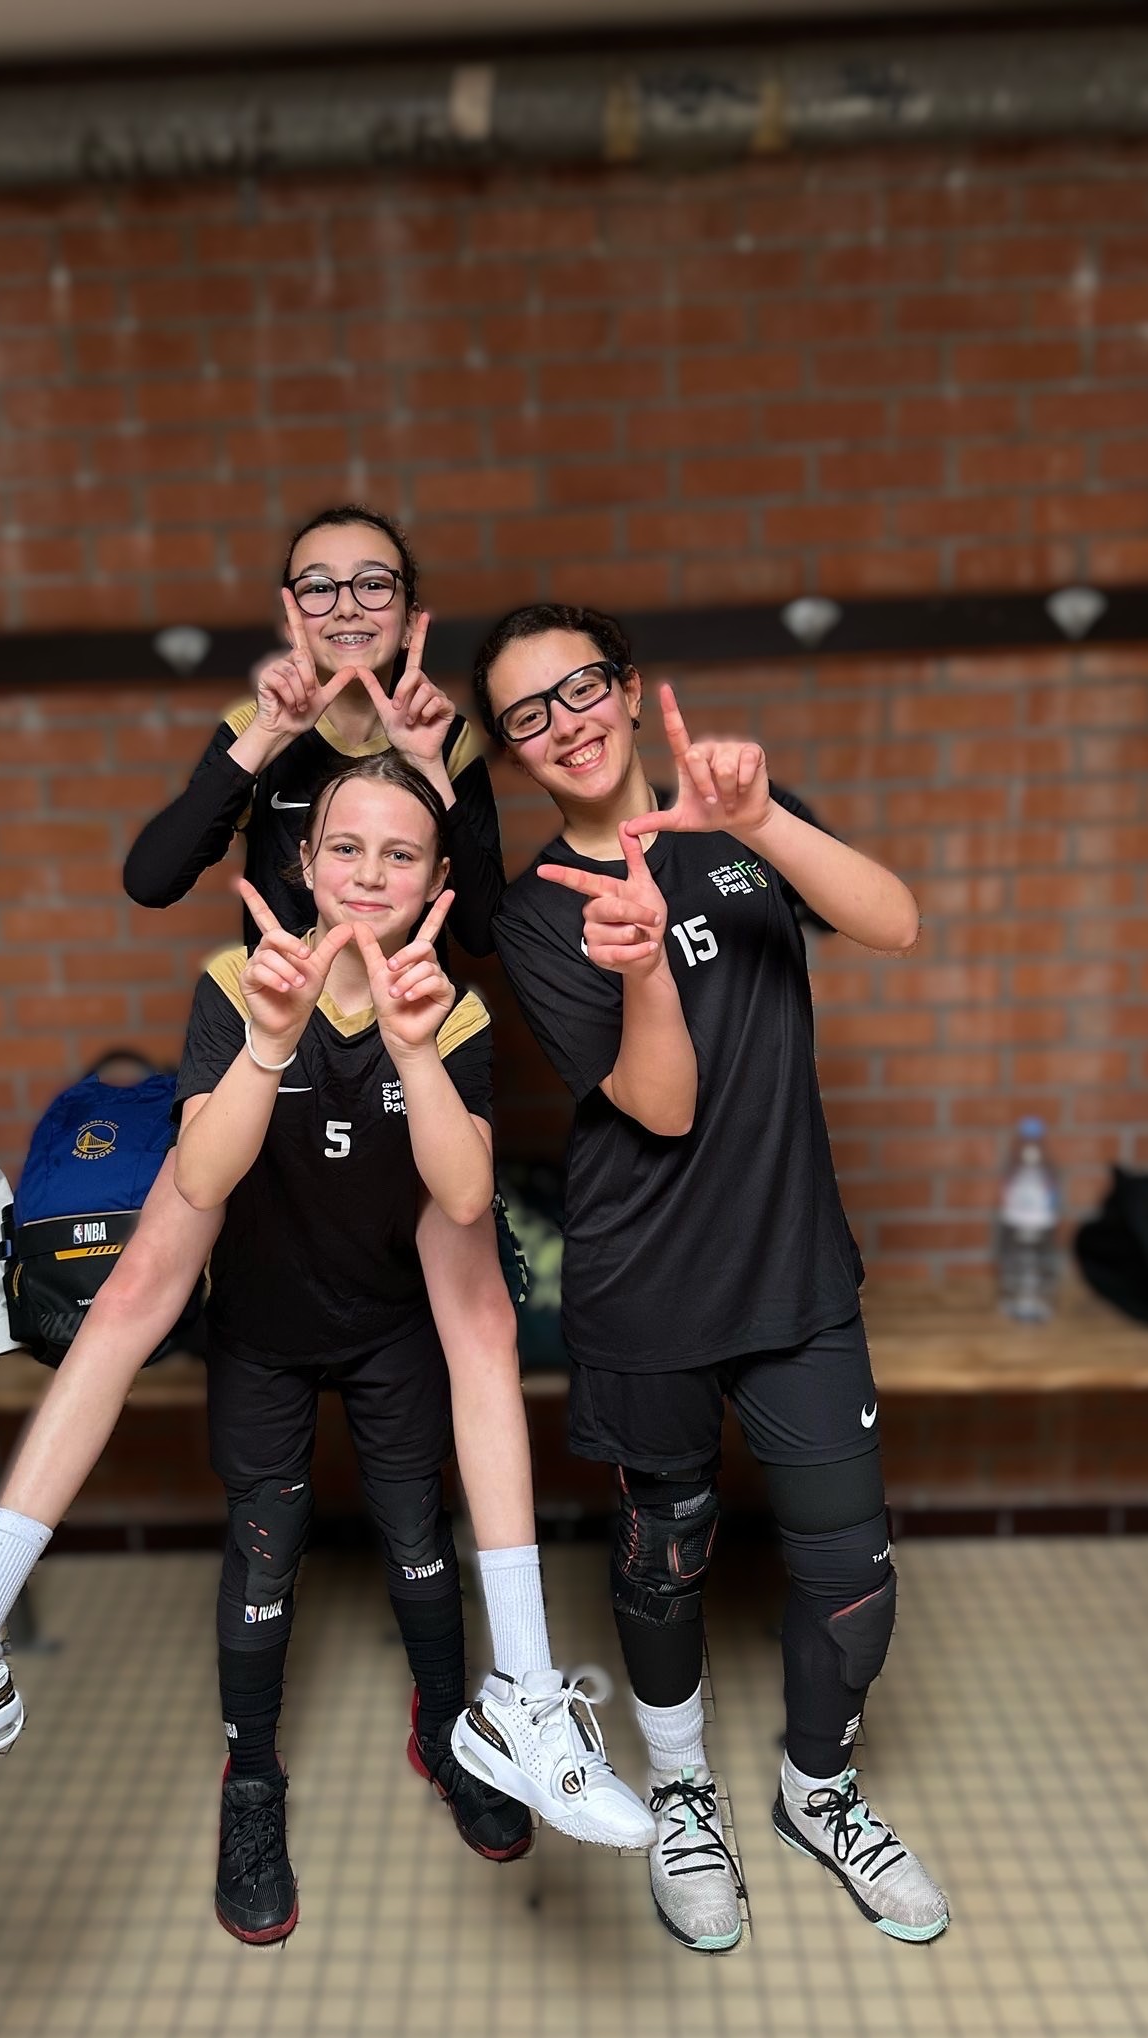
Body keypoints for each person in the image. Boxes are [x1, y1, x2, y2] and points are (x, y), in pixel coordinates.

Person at [0, 514, 651, 1860]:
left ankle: (513, 1701)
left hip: (401, 1066)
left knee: (476, 1325)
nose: (350, 603)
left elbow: (481, 933)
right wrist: (257, 761)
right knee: (143, 1284)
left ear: (410, 608)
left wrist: (443, 784)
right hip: (270, 1038)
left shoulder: (445, 782)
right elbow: (154, 878)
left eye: (375, 582)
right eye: (323, 583)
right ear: (290, 606)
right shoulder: (265, 750)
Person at [452, 602, 950, 1952]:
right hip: (648, 1288)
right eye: (528, 714)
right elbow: (660, 1106)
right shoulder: (537, 912)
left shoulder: (738, 820)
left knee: (852, 1570)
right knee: (662, 1563)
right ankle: (682, 1792)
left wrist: (761, 821)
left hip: (795, 1272)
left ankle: (816, 1789)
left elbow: (897, 921)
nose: (565, 723)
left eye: (581, 687)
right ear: (511, 750)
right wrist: (642, 959)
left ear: (629, 688)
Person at [171, 753, 538, 1938]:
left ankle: (449, 1729)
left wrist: (414, 1047)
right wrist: (268, 1038)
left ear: (434, 878)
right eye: (346, 846)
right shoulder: (236, 982)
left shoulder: (452, 1006)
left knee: (419, 1536)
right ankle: (252, 1780)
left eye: (400, 852)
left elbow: (466, 1194)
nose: (370, 872)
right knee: (264, 1554)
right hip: (262, 1329)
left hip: (392, 1327)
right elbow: (200, 1176)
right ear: (304, 859)